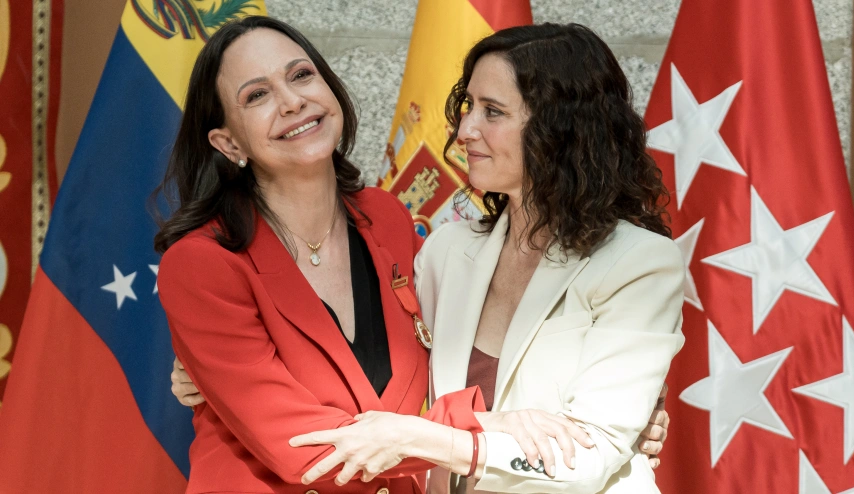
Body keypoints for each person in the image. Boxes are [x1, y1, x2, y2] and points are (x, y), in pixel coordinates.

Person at [167, 20, 680, 494]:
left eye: (301, 75)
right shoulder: (446, 250)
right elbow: (298, 435)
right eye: (257, 95)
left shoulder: (389, 221)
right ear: (227, 141)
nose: (291, 101)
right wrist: (203, 365)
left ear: (561, 130)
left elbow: (435, 366)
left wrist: (629, 411)